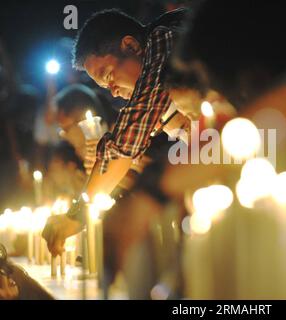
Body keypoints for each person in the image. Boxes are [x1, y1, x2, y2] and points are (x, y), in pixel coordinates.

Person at [43, 8, 189, 256]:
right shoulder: (159, 96)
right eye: (104, 86)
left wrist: (77, 216)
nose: (112, 92)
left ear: (131, 46)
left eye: (108, 75)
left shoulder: (164, 42)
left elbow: (123, 148)